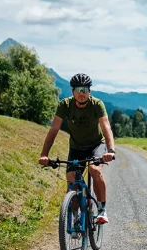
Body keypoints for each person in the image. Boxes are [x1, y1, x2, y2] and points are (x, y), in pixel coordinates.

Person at [38, 73, 116, 224]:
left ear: (89, 91)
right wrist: (44, 154)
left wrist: (110, 150)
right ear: (72, 91)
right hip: (76, 147)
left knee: (94, 170)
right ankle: (74, 216)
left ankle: (101, 209)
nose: (82, 93)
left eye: (85, 89)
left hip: (96, 145)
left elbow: (106, 127)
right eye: (78, 89)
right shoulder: (65, 105)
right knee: (72, 182)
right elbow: (54, 129)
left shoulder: (97, 104)